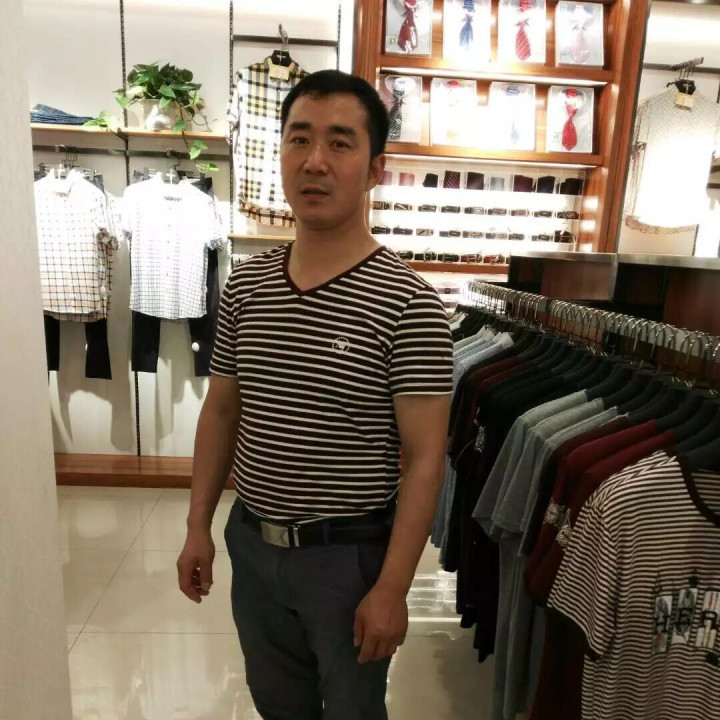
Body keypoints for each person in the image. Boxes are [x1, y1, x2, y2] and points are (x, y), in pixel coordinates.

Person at [177, 69, 453, 720]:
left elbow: (424, 460)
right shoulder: (246, 287)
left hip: (348, 558)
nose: (315, 161)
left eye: (340, 143)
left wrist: (393, 588)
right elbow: (222, 411)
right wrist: (197, 526)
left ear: (375, 169)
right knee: (277, 705)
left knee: (353, 711)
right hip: (253, 543)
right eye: (299, 139)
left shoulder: (410, 304)